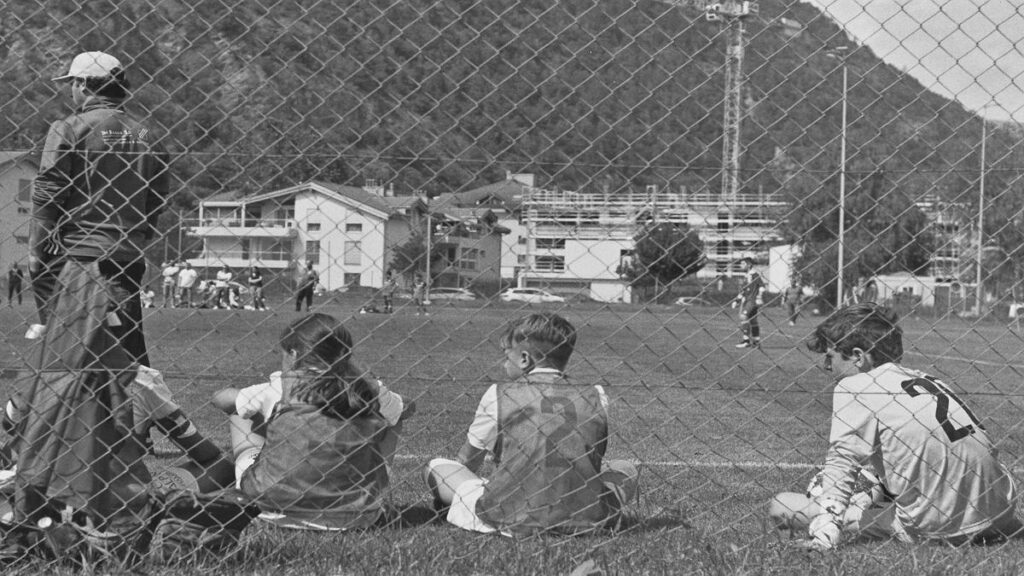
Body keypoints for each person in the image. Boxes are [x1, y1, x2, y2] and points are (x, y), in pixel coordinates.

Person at [13, 51, 169, 530]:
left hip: (79, 260)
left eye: (72, 84)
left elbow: (48, 189)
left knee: (63, 369)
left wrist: (39, 248)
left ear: (84, 85)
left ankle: (36, 477)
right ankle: (124, 454)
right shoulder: (148, 134)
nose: (69, 92)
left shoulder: (70, 127)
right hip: (126, 259)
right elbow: (157, 196)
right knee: (123, 359)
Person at [768, 303, 1020, 549]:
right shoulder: (929, 380)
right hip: (1002, 512)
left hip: (938, 525)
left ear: (858, 356)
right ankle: (880, 492)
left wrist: (826, 527)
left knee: (781, 505)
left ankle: (868, 501)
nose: (826, 366)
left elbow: (842, 459)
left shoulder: (855, 386)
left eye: (830, 356)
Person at [423, 313, 639, 535]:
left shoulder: (499, 394)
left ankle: (504, 496)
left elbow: (468, 460)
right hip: (583, 514)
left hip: (509, 516)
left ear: (524, 359)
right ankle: (584, 511)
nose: (504, 363)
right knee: (625, 468)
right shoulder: (596, 394)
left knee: (437, 466)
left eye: (507, 356)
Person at [211, 313, 414, 530]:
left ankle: (256, 468)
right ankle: (373, 491)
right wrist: (388, 401)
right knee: (394, 416)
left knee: (240, 411)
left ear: (294, 354)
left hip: (271, 511)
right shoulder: (368, 388)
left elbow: (221, 399)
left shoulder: (280, 387)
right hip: (357, 516)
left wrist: (236, 398)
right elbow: (408, 408)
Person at [733, 259, 765, 348]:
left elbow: (762, 286)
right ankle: (756, 342)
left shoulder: (754, 275)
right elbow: (743, 291)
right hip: (747, 301)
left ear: (749, 264)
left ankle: (746, 341)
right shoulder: (746, 276)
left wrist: (759, 297)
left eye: (743, 263)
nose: (740, 265)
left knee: (743, 317)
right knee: (753, 321)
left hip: (752, 301)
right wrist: (737, 300)